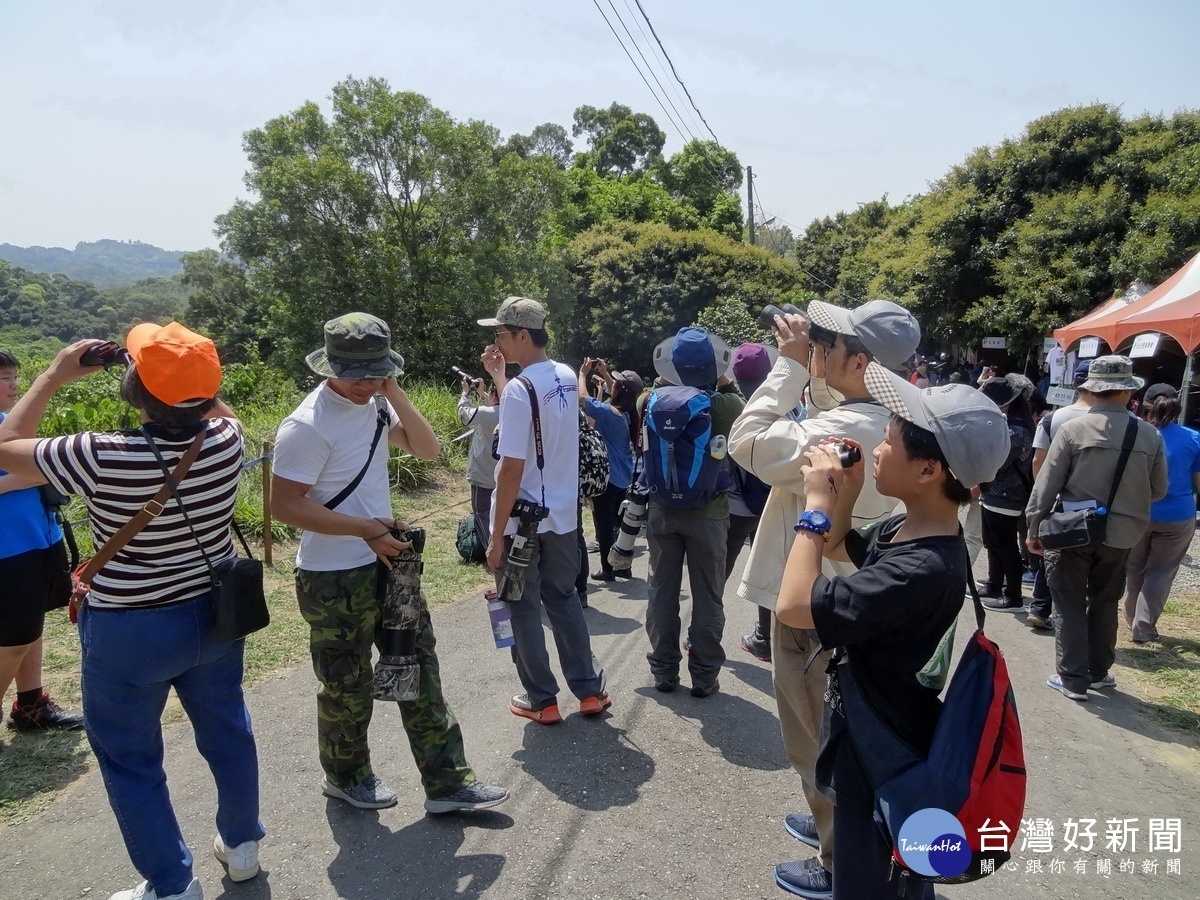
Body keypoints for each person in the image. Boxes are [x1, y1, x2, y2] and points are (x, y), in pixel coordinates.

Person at [0, 324, 264, 900]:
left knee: (131, 759)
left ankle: (172, 885)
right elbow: (218, 409)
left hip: (130, 628)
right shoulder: (227, 439)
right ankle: (242, 847)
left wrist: (52, 373)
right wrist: (186, 373)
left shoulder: (96, 454)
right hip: (215, 614)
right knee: (228, 732)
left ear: (134, 388)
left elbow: (6, 445)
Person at [773, 369, 1010, 900]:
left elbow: (793, 605)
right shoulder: (910, 529)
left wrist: (813, 506)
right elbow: (837, 548)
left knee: (870, 874)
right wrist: (846, 494)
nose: (876, 450)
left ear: (928, 469)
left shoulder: (921, 569)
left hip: (881, 747)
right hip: (877, 724)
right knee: (896, 864)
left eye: (888, 441)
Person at [272, 313, 508, 813]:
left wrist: (393, 391)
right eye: (356, 375)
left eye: (377, 372)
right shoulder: (307, 424)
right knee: (346, 682)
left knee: (417, 665)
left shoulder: (378, 405)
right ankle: (346, 776)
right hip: (332, 574)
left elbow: (428, 449)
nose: (366, 384)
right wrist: (366, 530)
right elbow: (285, 505)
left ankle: (449, 783)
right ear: (329, 368)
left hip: (389, 563)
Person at [728, 300, 919, 898]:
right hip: (841, 602)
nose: (818, 343)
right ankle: (830, 818)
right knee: (826, 732)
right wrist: (810, 367)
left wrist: (785, 368)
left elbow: (749, 440)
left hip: (814, 608)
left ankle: (840, 859)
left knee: (814, 733)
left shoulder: (849, 431)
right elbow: (822, 409)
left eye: (829, 341)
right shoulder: (881, 416)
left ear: (860, 361)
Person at [481, 297, 608, 724]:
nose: (496, 340)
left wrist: (496, 536)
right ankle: (588, 691)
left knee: (519, 604)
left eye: (500, 333)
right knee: (563, 597)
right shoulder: (567, 375)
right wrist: (500, 375)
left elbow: (511, 468)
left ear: (522, 335)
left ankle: (543, 700)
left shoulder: (519, 389)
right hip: (564, 515)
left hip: (523, 521)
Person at [1027, 355, 1167, 701]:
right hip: (1122, 534)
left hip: (1073, 530)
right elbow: (1159, 490)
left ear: (1091, 389)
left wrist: (1034, 527)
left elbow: (1045, 487)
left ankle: (1073, 679)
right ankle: (1099, 672)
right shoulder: (1149, 435)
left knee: (1069, 602)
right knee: (1106, 600)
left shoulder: (1072, 430)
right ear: (1128, 392)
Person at [643, 327, 744, 699]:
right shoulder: (726, 406)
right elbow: (739, 400)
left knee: (662, 592)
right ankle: (704, 677)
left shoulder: (650, 401)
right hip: (709, 511)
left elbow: (651, 388)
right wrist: (720, 379)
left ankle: (664, 672)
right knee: (708, 596)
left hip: (662, 511)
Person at [0, 349, 83, 732]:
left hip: (38, 539)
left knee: (31, 626)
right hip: (9, 550)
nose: (13, 384)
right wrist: (39, 471)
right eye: (4, 378)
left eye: (14, 376)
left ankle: (31, 704)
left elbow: (44, 469)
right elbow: (45, 468)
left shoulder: (9, 424)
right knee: (14, 638)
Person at [1123, 383, 1200, 643]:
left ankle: (1130, 617)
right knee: (1160, 572)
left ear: (1144, 405)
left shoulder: (1133, 434)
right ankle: (1143, 628)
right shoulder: (1193, 438)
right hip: (1178, 515)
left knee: (1134, 567)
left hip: (1138, 511)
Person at [1024, 360, 1096, 628]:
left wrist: (1043, 494)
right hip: (1098, 504)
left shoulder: (1054, 418)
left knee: (1050, 554)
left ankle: (1040, 608)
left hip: (1058, 500)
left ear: (1075, 383)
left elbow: (1037, 461)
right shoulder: (1116, 421)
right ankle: (1081, 618)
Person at [728, 343, 785, 663]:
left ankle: (702, 635)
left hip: (736, 507)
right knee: (768, 571)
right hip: (772, 504)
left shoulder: (730, 406)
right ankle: (765, 638)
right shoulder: (786, 405)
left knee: (717, 573)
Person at [577, 358, 640, 582]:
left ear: (618, 390)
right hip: (624, 476)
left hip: (608, 478)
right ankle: (624, 567)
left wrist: (582, 374)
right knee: (622, 526)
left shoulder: (609, 413)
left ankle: (608, 569)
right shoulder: (631, 413)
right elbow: (621, 390)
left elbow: (583, 398)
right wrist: (604, 373)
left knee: (604, 525)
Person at [975, 377, 1034, 610]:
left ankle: (1014, 596)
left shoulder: (1016, 430)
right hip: (993, 494)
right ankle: (994, 584)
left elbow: (997, 462)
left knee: (1006, 545)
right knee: (992, 541)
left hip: (1008, 495)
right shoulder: (1007, 422)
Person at [457, 355, 507, 550]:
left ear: (494, 395)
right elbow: (499, 405)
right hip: (503, 475)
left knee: (482, 513)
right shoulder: (513, 411)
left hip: (483, 476)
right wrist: (484, 394)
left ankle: (491, 551)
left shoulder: (485, 414)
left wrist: (465, 393)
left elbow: (464, 415)